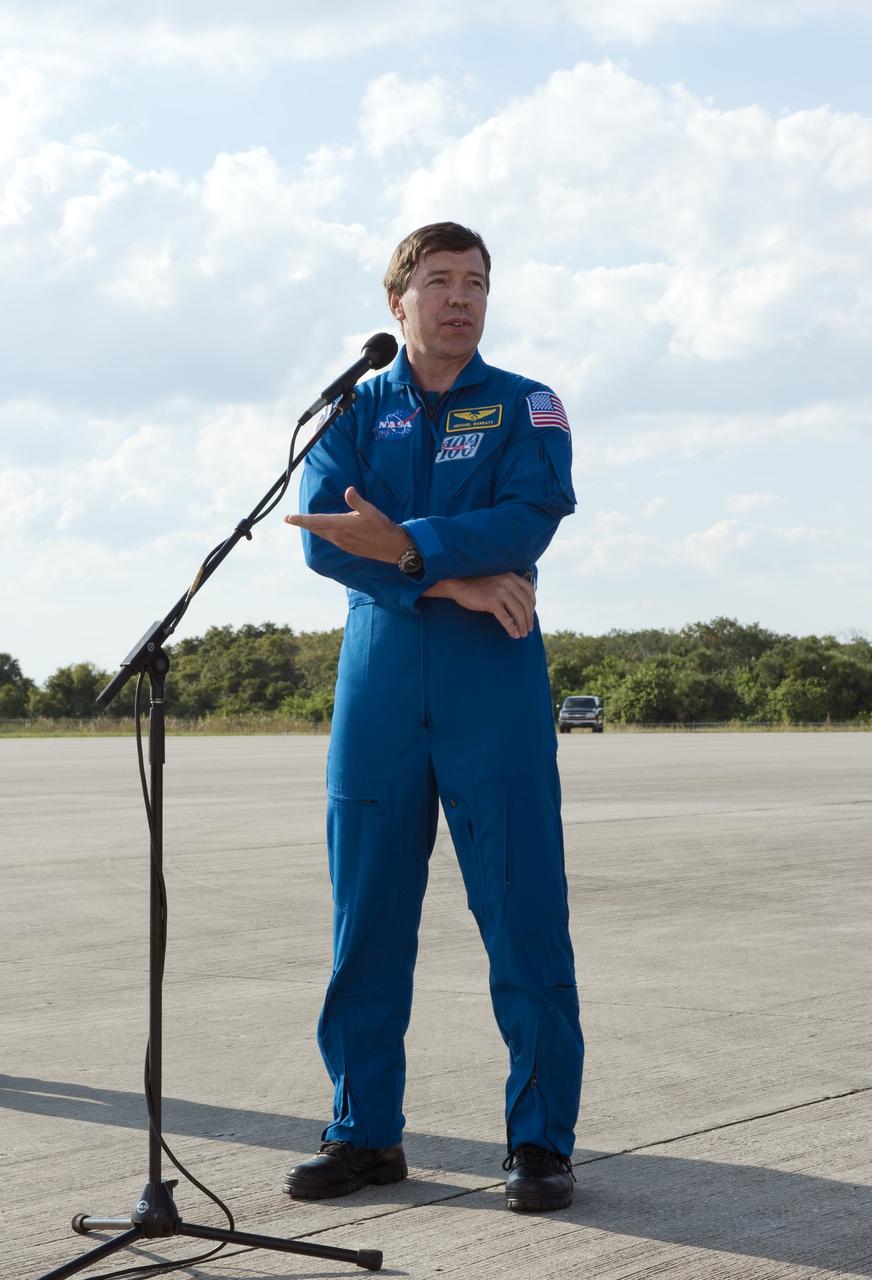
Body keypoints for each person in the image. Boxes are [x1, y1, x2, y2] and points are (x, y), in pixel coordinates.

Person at [282, 222, 584, 1212]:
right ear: (396, 302)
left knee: (522, 916)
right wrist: (443, 577)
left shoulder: (526, 405)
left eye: (476, 282)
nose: (460, 297)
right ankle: (364, 1132)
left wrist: (404, 546)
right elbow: (324, 537)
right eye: (440, 280)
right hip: (379, 682)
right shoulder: (352, 410)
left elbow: (527, 517)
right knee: (365, 920)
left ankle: (538, 1140)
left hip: (490, 684)